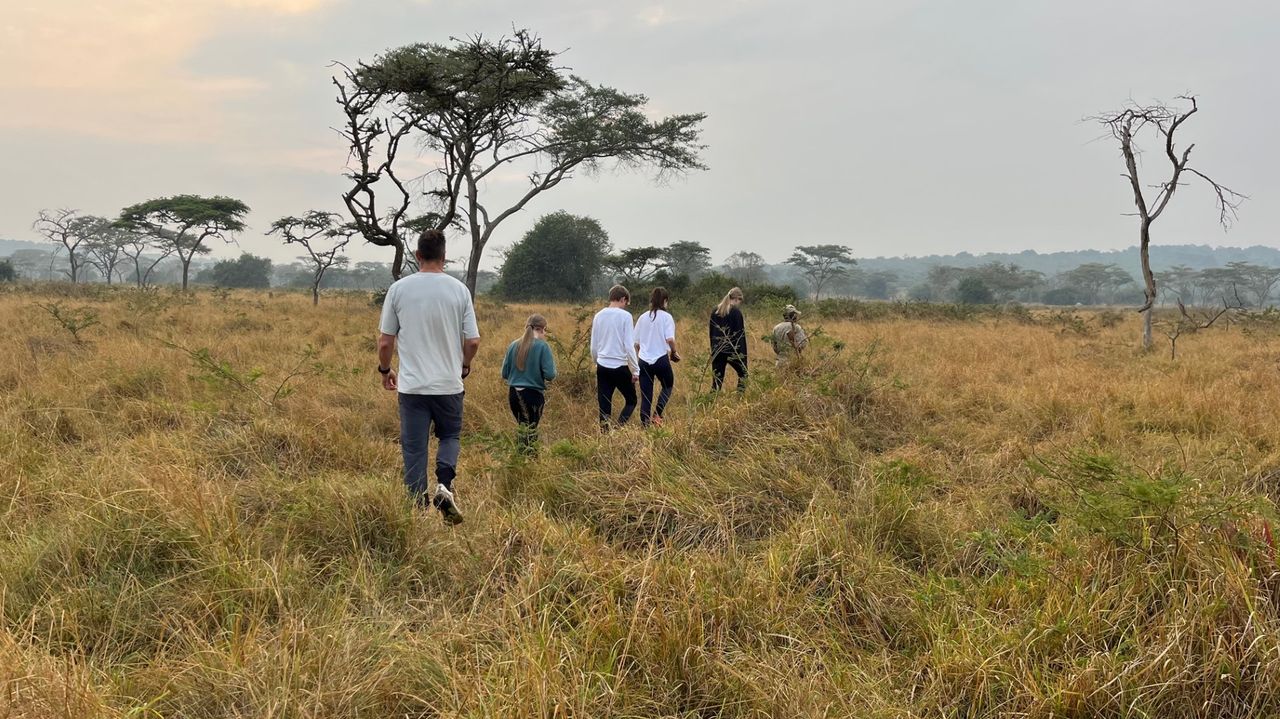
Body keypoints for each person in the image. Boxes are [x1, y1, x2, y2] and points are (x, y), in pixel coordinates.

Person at [377, 229, 480, 525]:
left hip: (412, 388)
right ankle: (445, 485)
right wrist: (464, 365)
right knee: (449, 436)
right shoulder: (459, 290)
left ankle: (416, 510)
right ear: (444, 257)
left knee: (414, 447)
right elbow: (473, 341)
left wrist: (385, 371)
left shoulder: (399, 290)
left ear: (417, 256)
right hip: (449, 385)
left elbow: (385, 342)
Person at [501, 314, 556, 452]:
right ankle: (530, 461)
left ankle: (520, 459)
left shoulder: (513, 345)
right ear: (542, 329)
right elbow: (550, 375)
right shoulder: (543, 347)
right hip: (533, 395)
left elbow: (504, 374)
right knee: (531, 431)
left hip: (514, 394)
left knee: (522, 428)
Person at [591, 284, 640, 429]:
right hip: (620, 366)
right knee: (631, 400)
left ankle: (605, 435)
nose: (626, 306)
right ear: (623, 299)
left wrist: (596, 362)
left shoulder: (598, 316)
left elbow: (594, 345)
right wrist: (635, 370)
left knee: (604, 405)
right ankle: (619, 428)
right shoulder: (625, 316)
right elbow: (629, 346)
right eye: (626, 303)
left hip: (602, 366)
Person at [633, 287, 680, 427]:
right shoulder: (667, 317)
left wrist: (642, 353)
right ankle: (658, 414)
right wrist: (674, 352)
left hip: (643, 361)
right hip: (661, 359)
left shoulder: (642, 317)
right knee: (668, 385)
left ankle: (644, 426)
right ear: (665, 301)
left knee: (646, 395)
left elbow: (636, 343)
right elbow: (670, 339)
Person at [708, 287, 747, 392]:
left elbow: (711, 333)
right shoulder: (736, 313)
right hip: (732, 350)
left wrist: (714, 350)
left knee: (716, 381)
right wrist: (742, 356)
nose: (739, 303)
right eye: (740, 300)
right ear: (736, 299)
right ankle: (740, 398)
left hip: (718, 350)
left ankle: (711, 403)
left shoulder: (715, 311)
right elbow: (740, 335)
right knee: (744, 373)